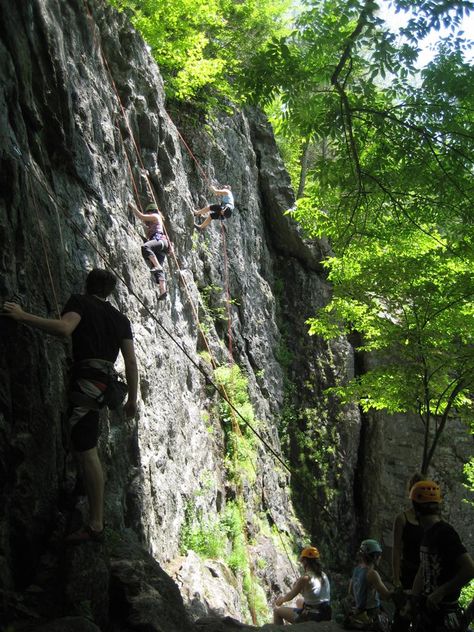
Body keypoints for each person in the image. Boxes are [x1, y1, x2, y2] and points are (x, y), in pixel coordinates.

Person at [2, 269, 138, 543]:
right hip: (102, 384)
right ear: (109, 292)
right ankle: (87, 506)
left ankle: (96, 525)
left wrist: (22, 315)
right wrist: (133, 400)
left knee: (87, 450)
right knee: (84, 443)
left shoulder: (80, 301)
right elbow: (131, 362)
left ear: (87, 285)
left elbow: (65, 328)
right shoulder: (121, 319)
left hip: (86, 383)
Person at [410, 480, 474, 632]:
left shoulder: (445, 533)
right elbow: (424, 566)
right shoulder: (428, 533)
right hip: (427, 614)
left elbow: (470, 569)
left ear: (416, 510)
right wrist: (413, 599)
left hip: (443, 615)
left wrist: (440, 592)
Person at [391, 473, 425, 631]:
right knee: (402, 617)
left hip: (425, 576)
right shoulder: (402, 519)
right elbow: (396, 550)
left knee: (422, 619)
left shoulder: (432, 521)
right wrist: (396, 579)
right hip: (407, 573)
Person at [273, 545, 331, 624]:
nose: (301, 563)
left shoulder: (305, 578)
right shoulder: (323, 574)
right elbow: (314, 593)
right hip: (326, 613)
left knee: (277, 610)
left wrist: (280, 601)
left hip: (314, 616)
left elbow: (290, 596)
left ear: (305, 561)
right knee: (299, 601)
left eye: (302, 561)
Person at [345, 539, 392, 629]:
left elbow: (350, 592)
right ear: (375, 557)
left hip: (358, 610)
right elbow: (386, 595)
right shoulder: (372, 574)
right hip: (371, 612)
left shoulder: (356, 570)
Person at [129, 201, 170, 300]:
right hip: (162, 246)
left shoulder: (156, 216)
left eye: (148, 213)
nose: (148, 215)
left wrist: (132, 206)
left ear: (151, 211)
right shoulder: (154, 224)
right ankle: (163, 290)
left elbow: (141, 216)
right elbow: (148, 232)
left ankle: (157, 265)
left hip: (160, 241)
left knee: (145, 247)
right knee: (158, 271)